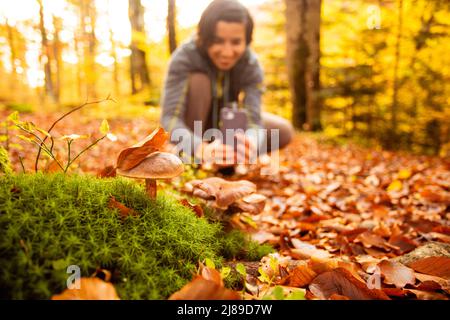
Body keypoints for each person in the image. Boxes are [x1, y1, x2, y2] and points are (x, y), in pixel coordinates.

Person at [160, 0, 293, 167]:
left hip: (230, 125)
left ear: (247, 41)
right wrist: (200, 147)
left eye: (236, 42)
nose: (227, 52)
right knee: (199, 82)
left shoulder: (250, 64)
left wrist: (250, 142)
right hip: (195, 127)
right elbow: (169, 118)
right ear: (204, 37)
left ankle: (230, 159)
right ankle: (192, 161)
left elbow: (254, 119)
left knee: (282, 130)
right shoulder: (184, 57)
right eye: (218, 41)